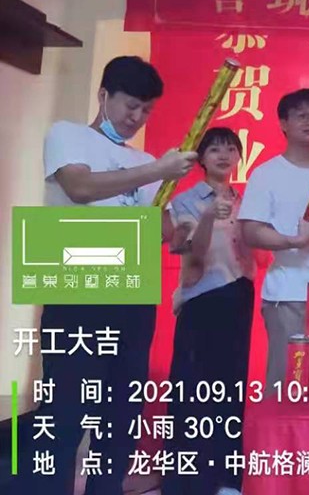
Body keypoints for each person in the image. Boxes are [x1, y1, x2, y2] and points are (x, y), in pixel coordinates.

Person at [20, 56, 196, 495]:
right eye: (130, 105)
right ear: (103, 96)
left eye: (146, 110)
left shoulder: (145, 159)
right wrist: (158, 171)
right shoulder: (68, 135)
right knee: (65, 413)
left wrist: (187, 224)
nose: (137, 118)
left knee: (120, 417)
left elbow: (162, 231)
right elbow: (79, 188)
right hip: (75, 285)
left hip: (132, 293)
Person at [238, 88, 309, 387]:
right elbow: (250, 231)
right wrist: (293, 241)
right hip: (287, 294)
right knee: (286, 383)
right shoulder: (266, 173)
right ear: (283, 123)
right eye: (302, 116)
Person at [164, 127, 253, 495]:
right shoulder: (184, 200)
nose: (223, 155)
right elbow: (190, 251)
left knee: (232, 389)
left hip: (240, 295)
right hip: (202, 299)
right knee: (193, 391)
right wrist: (207, 217)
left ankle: (228, 479)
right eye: (214, 149)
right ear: (200, 158)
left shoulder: (246, 200)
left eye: (230, 149)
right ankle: (187, 482)